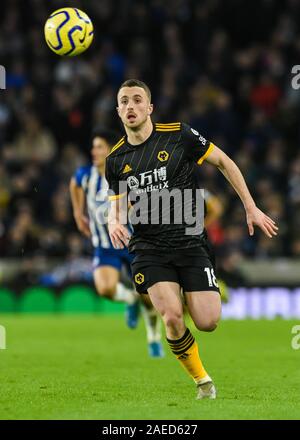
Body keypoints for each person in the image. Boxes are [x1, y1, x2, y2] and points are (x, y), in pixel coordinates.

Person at [105, 79, 278, 399]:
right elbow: (116, 206)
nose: (131, 106)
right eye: (124, 101)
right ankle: (203, 382)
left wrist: (251, 207)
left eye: (137, 100)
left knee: (208, 321)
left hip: (189, 240)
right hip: (148, 247)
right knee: (171, 317)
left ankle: (182, 289)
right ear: (118, 111)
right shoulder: (116, 160)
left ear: (150, 108)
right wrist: (114, 222)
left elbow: (224, 162)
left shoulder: (178, 135)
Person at [69, 129, 164, 358]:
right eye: (93, 147)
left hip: (132, 243)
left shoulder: (125, 171)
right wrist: (77, 213)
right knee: (105, 288)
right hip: (104, 243)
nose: (94, 151)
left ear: (110, 149)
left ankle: (153, 339)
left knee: (148, 298)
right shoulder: (86, 175)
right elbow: (74, 185)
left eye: (100, 146)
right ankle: (128, 298)